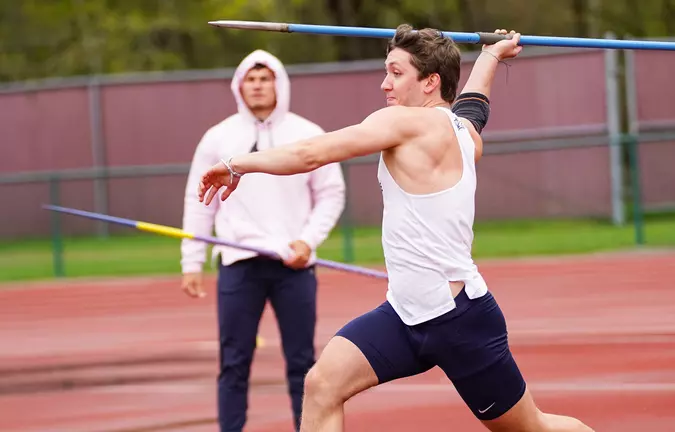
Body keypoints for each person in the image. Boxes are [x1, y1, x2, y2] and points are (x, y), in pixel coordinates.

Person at [196, 25, 593, 431]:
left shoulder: (406, 123)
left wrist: (236, 164)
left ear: (430, 82)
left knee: (533, 428)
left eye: (396, 72)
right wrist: (491, 55)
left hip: (459, 322)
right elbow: (475, 106)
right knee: (321, 384)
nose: (385, 83)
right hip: (404, 316)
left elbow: (312, 153)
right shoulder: (464, 133)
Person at [180, 49, 347, 431]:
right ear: (239, 85)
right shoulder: (218, 137)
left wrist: (307, 241)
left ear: (279, 84)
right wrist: (192, 260)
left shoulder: (307, 133)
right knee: (234, 362)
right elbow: (199, 199)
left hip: (294, 265)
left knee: (303, 363)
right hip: (238, 265)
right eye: (250, 79)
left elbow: (331, 193)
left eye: (265, 78)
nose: (257, 86)